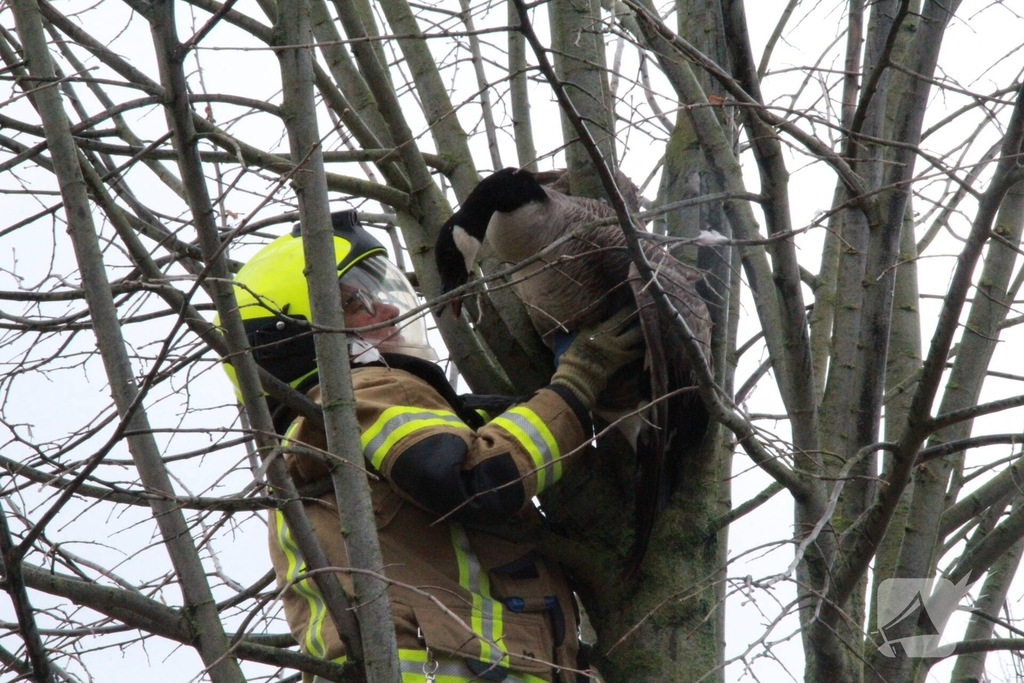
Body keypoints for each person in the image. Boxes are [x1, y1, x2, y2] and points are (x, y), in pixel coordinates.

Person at [228, 211, 643, 683]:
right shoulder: (359, 394)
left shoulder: (323, 436)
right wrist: (576, 382)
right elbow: (475, 480)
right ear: (297, 334)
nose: (388, 310)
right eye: (357, 301)